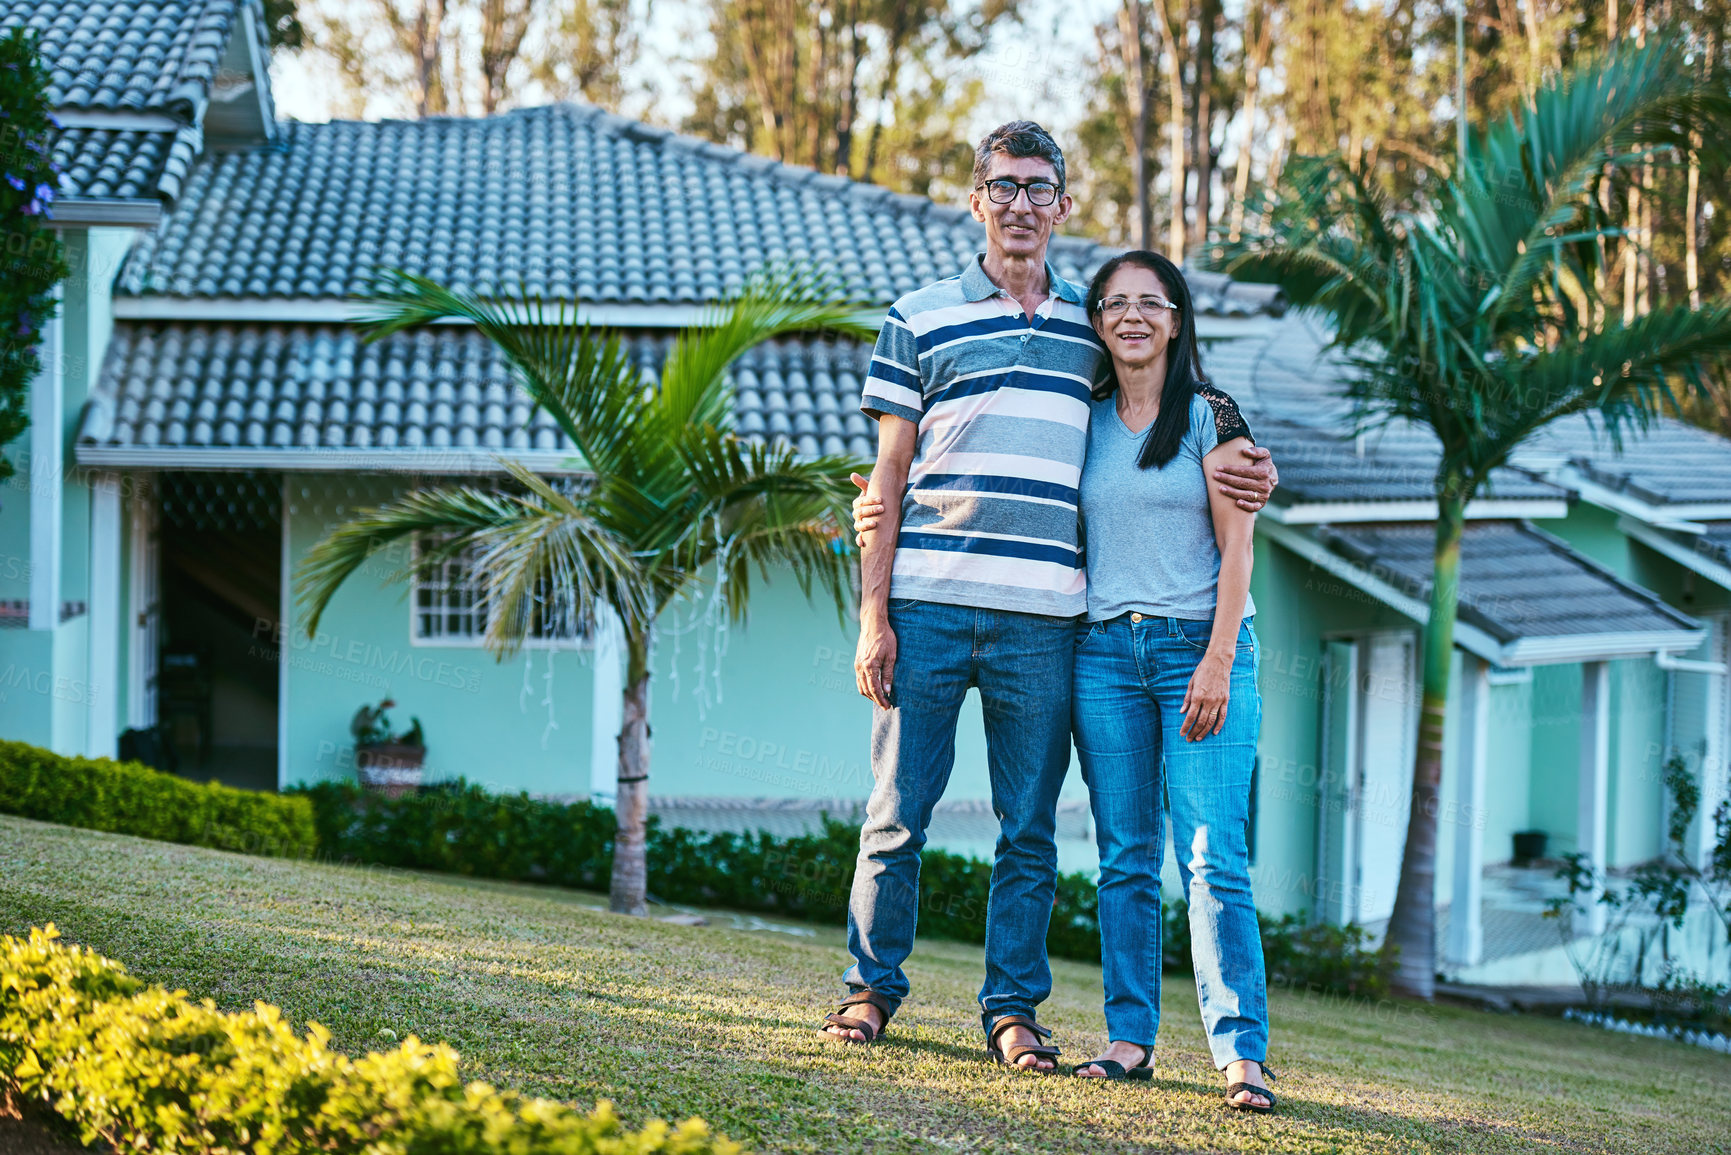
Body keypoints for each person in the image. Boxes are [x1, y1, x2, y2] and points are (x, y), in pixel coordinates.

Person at [819, 122, 1277, 1076]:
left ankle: (1012, 1010)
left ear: (1063, 206)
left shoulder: (1092, 323)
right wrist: (872, 616)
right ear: (976, 200)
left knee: (1028, 828)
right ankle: (870, 989)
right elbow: (885, 479)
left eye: (1038, 188)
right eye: (1003, 187)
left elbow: (1173, 397)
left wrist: (1244, 456)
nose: (1020, 204)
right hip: (928, 607)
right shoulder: (917, 315)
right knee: (898, 808)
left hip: (1048, 622)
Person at [1062, 250, 1275, 1111]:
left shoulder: (1209, 414)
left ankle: (1240, 1056)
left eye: (1150, 302)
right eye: (1114, 304)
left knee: (1210, 856)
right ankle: (1127, 1039)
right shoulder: (1082, 416)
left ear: (1177, 319)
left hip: (1200, 647)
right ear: (1098, 321)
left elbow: (1237, 547)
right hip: (1104, 653)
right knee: (1122, 858)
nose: (1131, 317)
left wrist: (1217, 659)